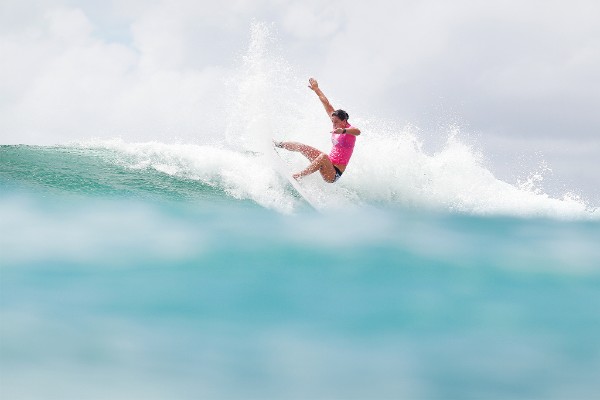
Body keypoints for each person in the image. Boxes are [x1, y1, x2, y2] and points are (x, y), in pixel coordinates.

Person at [274, 78, 361, 183]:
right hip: (326, 163)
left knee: (323, 156)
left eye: (336, 122)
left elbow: (358, 132)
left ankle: (299, 176)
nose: (333, 124)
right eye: (332, 121)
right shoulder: (336, 122)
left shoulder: (350, 129)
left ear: (344, 121)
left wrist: (343, 131)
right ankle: (277, 144)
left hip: (334, 174)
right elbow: (327, 104)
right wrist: (316, 89)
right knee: (303, 147)